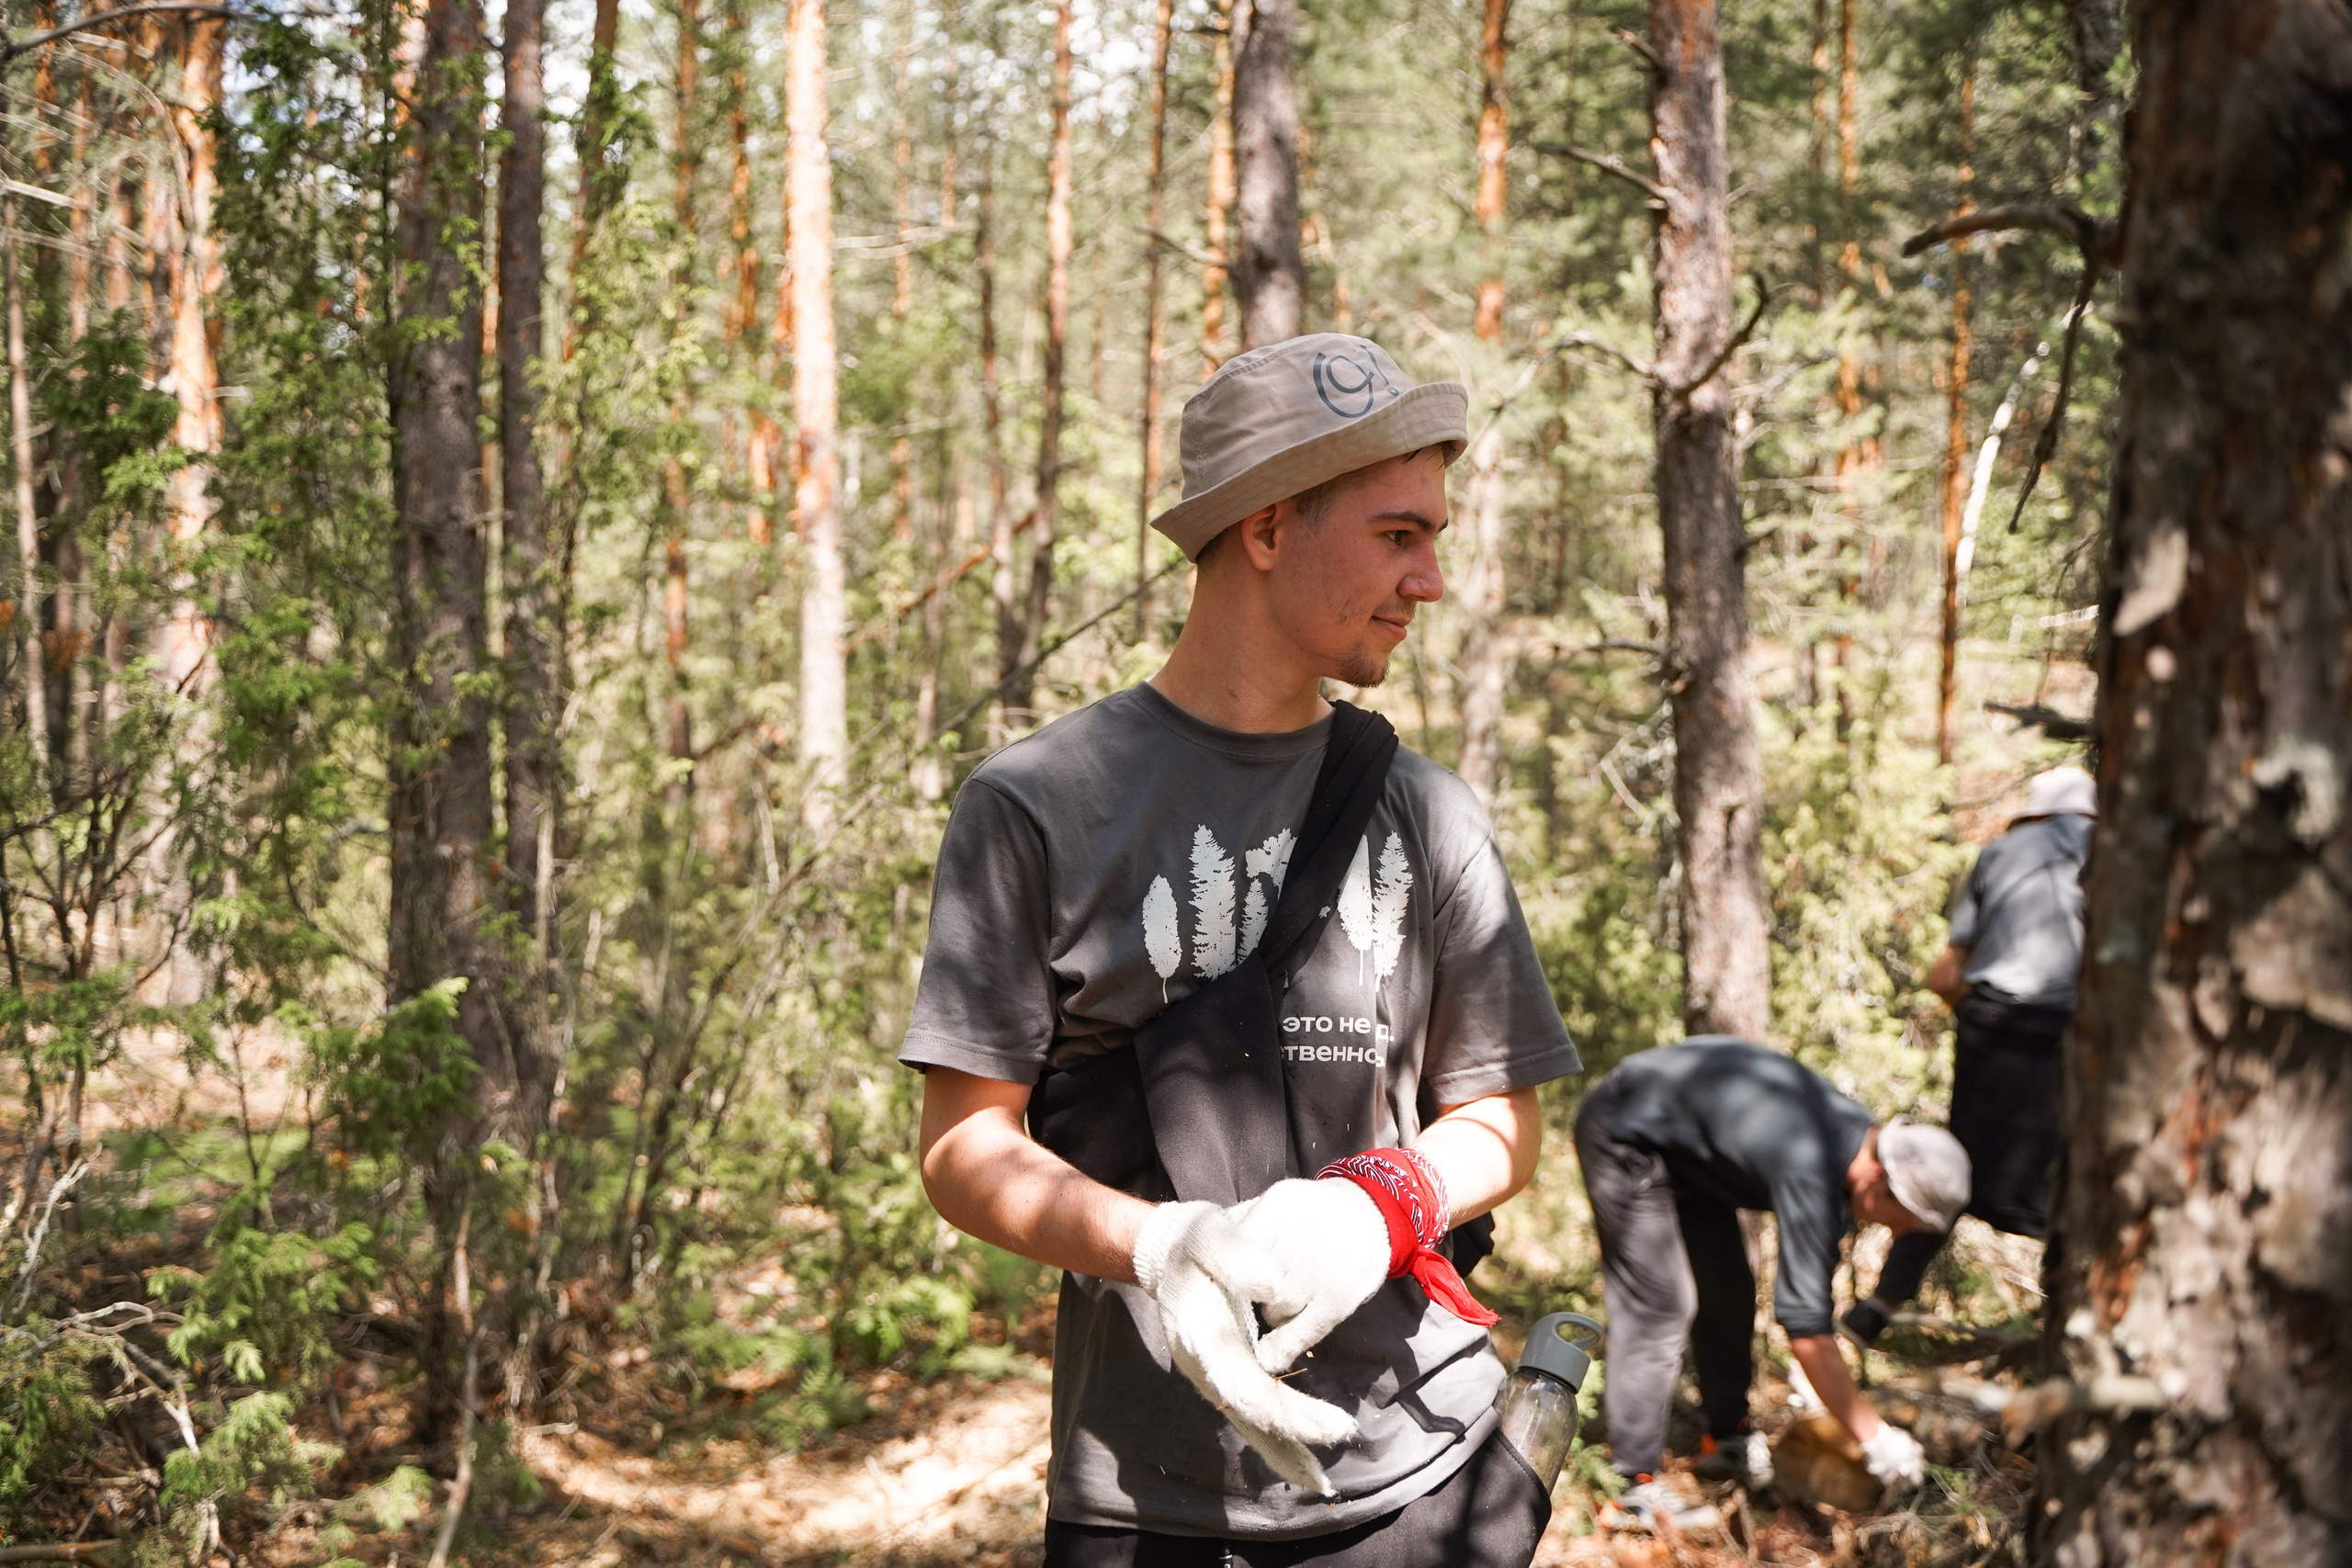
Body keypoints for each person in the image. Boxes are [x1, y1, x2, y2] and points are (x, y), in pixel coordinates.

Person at [905, 334, 1582, 1568]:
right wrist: (1158, 1247)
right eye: (1397, 534)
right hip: (1146, 1497)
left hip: (1424, 1466)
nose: (1430, 578)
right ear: (1267, 528)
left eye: (1432, 536)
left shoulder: (1430, 812)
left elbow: (1502, 1119)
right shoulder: (1039, 802)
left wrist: (1382, 1205)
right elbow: (962, 1146)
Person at [1572, 1038, 1968, 1529]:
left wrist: (1820, 1371)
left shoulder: (1848, 1148)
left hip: (1692, 1159)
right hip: (1625, 1129)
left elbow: (1811, 1294)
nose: (1896, 1231)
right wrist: (1874, 1437)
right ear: (1880, 1180)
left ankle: (1727, 1439)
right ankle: (1632, 1486)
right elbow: (1803, 1327)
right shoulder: (1813, 1167)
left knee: (1729, 1292)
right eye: (1902, 1219)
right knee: (1660, 1307)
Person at [1841, 765, 2093, 1348]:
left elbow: (1945, 975)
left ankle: (1877, 1308)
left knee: (1956, 1167)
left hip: (1993, 1026)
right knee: (2070, 1171)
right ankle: (2072, 1321)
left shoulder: (1999, 854)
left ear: (2034, 811)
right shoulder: (2120, 853)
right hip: (2072, 1034)